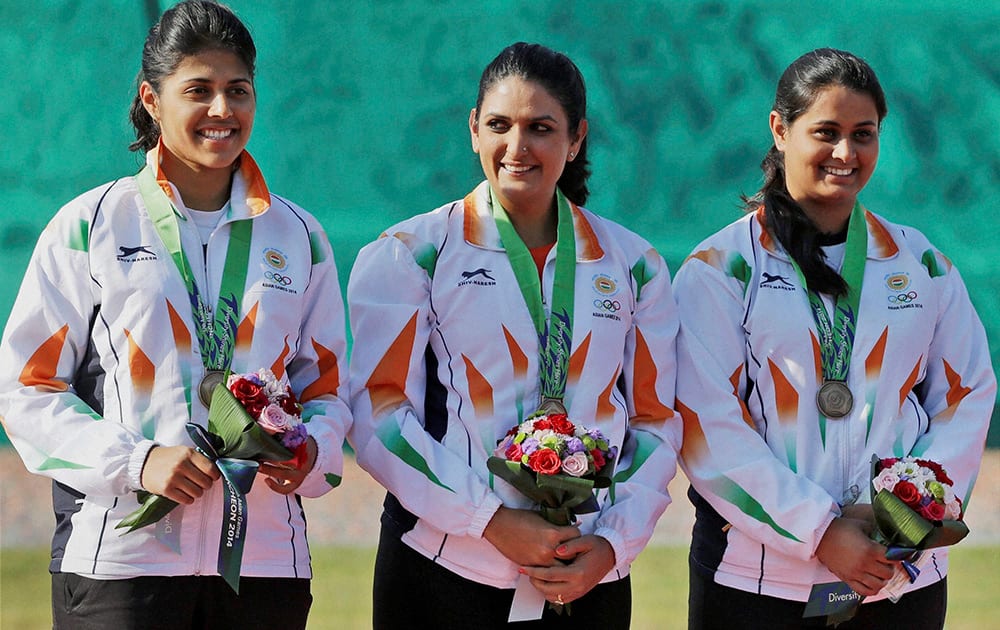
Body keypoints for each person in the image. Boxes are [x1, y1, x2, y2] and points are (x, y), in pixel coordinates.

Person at [0, 1, 351, 627]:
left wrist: (309, 451)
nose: (222, 110)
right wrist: (137, 462)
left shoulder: (300, 236)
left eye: (237, 90)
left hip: (265, 564)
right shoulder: (92, 226)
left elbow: (327, 390)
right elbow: (26, 389)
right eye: (199, 90)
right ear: (152, 99)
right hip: (121, 563)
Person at [347, 42, 682, 629]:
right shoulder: (411, 254)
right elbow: (379, 414)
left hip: (584, 572)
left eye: (541, 128)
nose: (517, 147)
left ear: (576, 139)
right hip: (443, 568)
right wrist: (489, 520)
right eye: (500, 125)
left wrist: (611, 545)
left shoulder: (635, 266)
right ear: (474, 129)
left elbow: (654, 421)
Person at [674, 47, 995, 629]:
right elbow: (705, 424)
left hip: (898, 578)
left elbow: (966, 394)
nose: (846, 153)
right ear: (780, 128)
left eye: (863, 134)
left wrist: (911, 514)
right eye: (826, 132)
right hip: (756, 586)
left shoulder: (920, 262)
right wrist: (818, 530)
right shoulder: (720, 269)